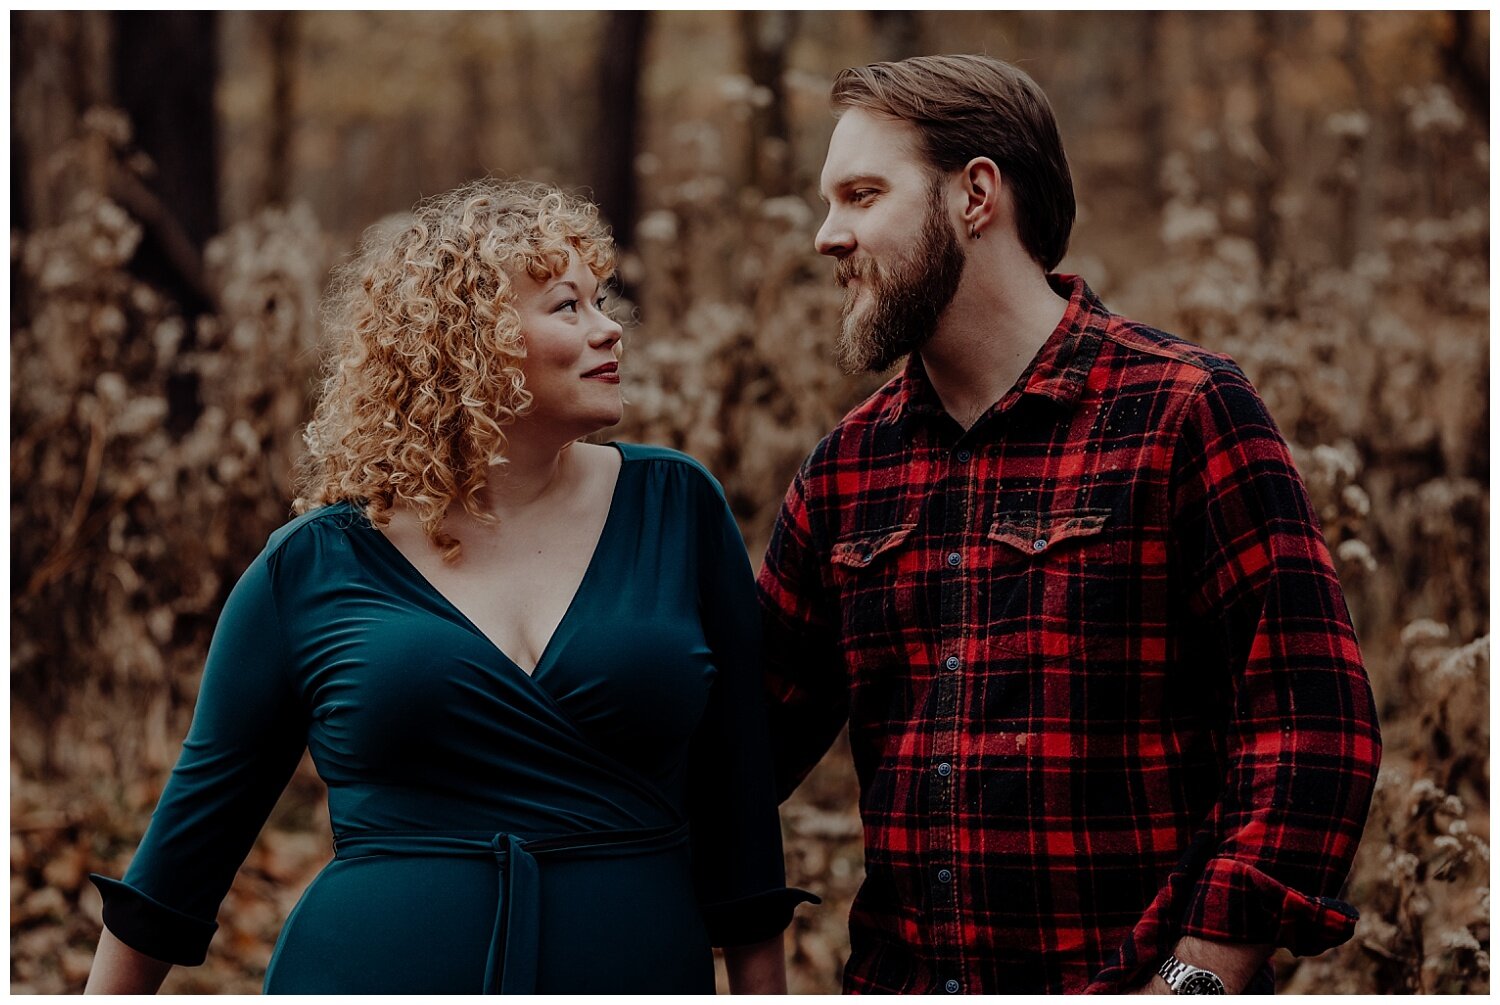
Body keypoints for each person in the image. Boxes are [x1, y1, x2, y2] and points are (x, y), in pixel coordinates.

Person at [86, 179, 814, 994]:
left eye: (600, 300)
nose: (611, 328)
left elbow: (741, 812)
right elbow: (185, 853)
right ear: (469, 341)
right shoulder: (314, 565)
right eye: (567, 306)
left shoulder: (676, 509)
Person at [757, 54, 1381, 994]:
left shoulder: (1182, 410)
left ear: (975, 196)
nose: (825, 237)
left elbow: (1311, 722)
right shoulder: (848, 469)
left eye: (860, 195)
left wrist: (1200, 973)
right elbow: (736, 745)